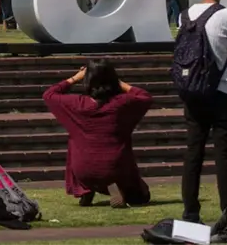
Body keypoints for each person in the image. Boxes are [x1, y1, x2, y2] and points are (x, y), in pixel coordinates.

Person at [177, 0, 227, 225]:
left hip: (193, 91)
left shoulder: (185, 16)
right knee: (223, 154)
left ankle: (190, 211)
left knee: (193, 151)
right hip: (223, 91)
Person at [43, 59, 153, 208]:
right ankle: (118, 189)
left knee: (77, 141)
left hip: (83, 168)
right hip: (115, 168)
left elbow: (49, 94)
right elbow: (144, 96)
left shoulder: (76, 104)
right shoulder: (121, 103)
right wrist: (116, 81)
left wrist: (75, 77)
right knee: (142, 195)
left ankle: (86, 190)